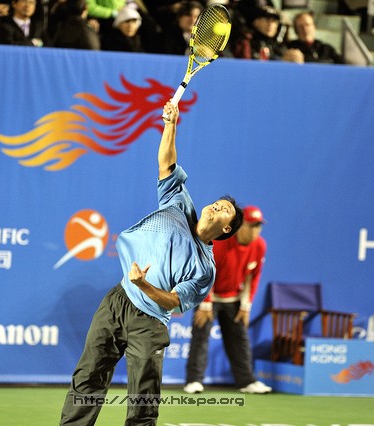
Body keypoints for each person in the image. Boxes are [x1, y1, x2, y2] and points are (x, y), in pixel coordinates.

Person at [59, 101, 244, 425]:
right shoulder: (178, 204)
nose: (216, 206)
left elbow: (174, 301)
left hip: (151, 320)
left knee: (143, 398)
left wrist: (144, 285)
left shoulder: (204, 268)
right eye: (217, 202)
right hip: (118, 300)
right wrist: (170, 125)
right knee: (88, 375)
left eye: (224, 210)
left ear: (227, 229)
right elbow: (166, 164)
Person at [184, 205, 271, 395]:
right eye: (251, 225)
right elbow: (206, 273)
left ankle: (246, 381)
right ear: (240, 226)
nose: (255, 231)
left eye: (258, 226)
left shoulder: (260, 245)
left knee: (240, 339)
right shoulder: (221, 243)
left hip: (234, 298)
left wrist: (246, 306)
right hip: (209, 295)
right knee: (201, 337)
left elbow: (253, 277)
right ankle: (194, 381)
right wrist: (205, 304)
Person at [234, 6, 304, 63]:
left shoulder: (280, 46)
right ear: (256, 22)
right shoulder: (246, 42)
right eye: (267, 20)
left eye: (274, 21)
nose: (271, 24)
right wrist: (281, 61)